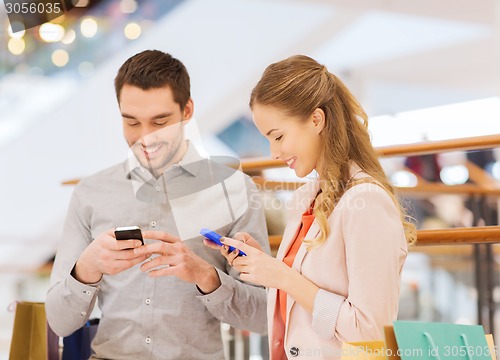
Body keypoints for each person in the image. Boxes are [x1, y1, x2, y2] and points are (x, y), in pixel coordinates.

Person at [46, 50, 270, 359]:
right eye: (132, 122)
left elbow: (264, 316)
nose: (146, 138)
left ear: (187, 110)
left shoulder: (234, 191)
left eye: (160, 121)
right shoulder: (91, 193)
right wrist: (87, 268)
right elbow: (59, 322)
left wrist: (206, 276)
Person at [213, 55, 417, 359]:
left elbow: (371, 333)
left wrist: (284, 277)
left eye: (279, 136)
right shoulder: (307, 196)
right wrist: (266, 266)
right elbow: (301, 301)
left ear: (316, 119)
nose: (274, 152)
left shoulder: (366, 202)